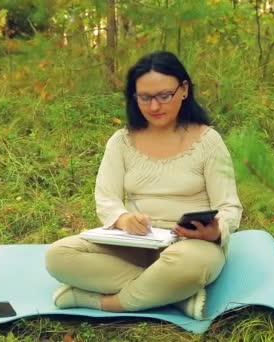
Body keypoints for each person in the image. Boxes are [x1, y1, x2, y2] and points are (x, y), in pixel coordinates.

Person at [44, 51, 242, 320]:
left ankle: (106, 302)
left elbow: (228, 206)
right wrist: (123, 218)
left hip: (190, 245)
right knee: (59, 255)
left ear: (183, 90)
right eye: (145, 98)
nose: (154, 107)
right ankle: (174, 295)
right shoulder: (121, 141)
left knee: (188, 267)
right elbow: (106, 198)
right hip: (136, 242)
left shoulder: (208, 141)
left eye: (164, 96)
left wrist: (215, 233)